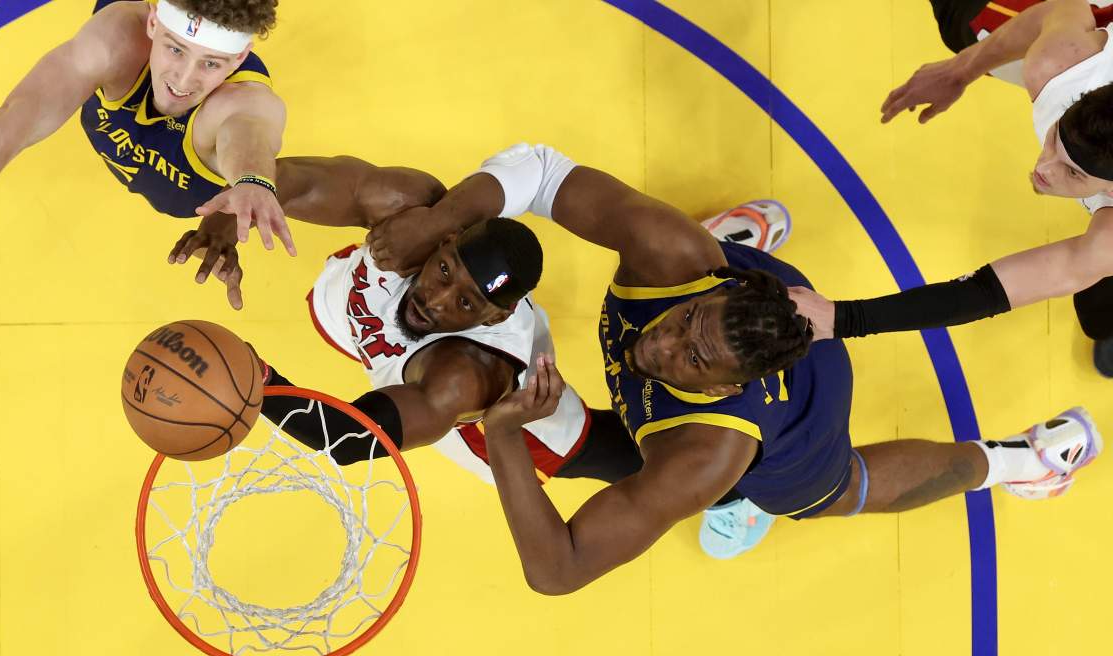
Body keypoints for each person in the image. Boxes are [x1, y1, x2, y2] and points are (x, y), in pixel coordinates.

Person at [367, 142, 1102, 594]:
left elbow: (557, 570)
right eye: (685, 321)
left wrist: (503, 434)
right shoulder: (675, 262)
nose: (660, 345)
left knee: (841, 490)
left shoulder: (706, 454)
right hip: (781, 300)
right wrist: (441, 219)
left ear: (720, 386)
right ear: (709, 290)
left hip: (798, 433)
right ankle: (737, 245)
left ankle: (1015, 461)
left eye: (690, 358)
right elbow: (543, 171)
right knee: (687, 248)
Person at [171, 155, 645, 486]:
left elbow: (349, 438)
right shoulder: (408, 209)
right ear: (446, 239)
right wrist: (221, 226)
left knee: (613, 453)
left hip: (473, 417)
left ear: (493, 316)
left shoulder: (463, 377)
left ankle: (691, 465)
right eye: (444, 271)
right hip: (363, 327)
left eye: (464, 304)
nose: (435, 301)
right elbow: (288, 180)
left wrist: (259, 381)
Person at [793, 0, 1113, 376]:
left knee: (1097, 291)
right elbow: (1063, 9)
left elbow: (997, 289)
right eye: (1054, 139)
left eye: (1073, 173)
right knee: (961, 25)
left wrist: (844, 319)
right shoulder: (1060, 66)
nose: (1043, 168)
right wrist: (960, 71)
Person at [0, 0, 294, 276]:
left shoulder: (242, 102)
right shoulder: (118, 39)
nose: (183, 79)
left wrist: (253, 180)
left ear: (239, 58)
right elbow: (23, 113)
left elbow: (248, 130)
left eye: (210, 63)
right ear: (153, 22)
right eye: (175, 50)